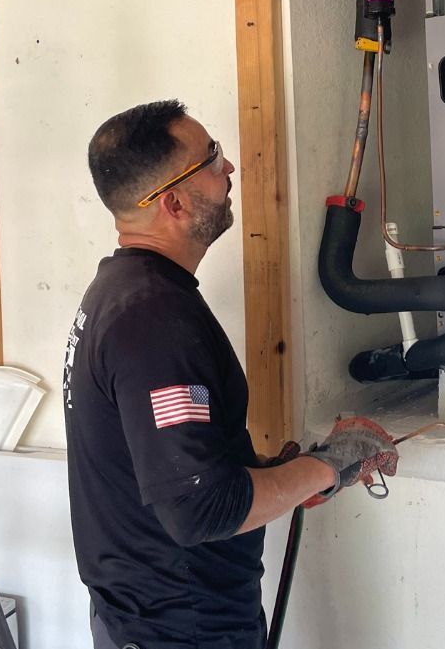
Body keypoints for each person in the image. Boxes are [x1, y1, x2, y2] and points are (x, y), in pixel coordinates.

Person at [63, 100, 399, 649]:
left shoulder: (124, 297)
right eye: (212, 158)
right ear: (173, 202)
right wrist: (329, 464)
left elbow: (178, 466)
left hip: (156, 623)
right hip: (183, 631)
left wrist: (283, 475)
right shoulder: (153, 321)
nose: (230, 168)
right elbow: (201, 508)